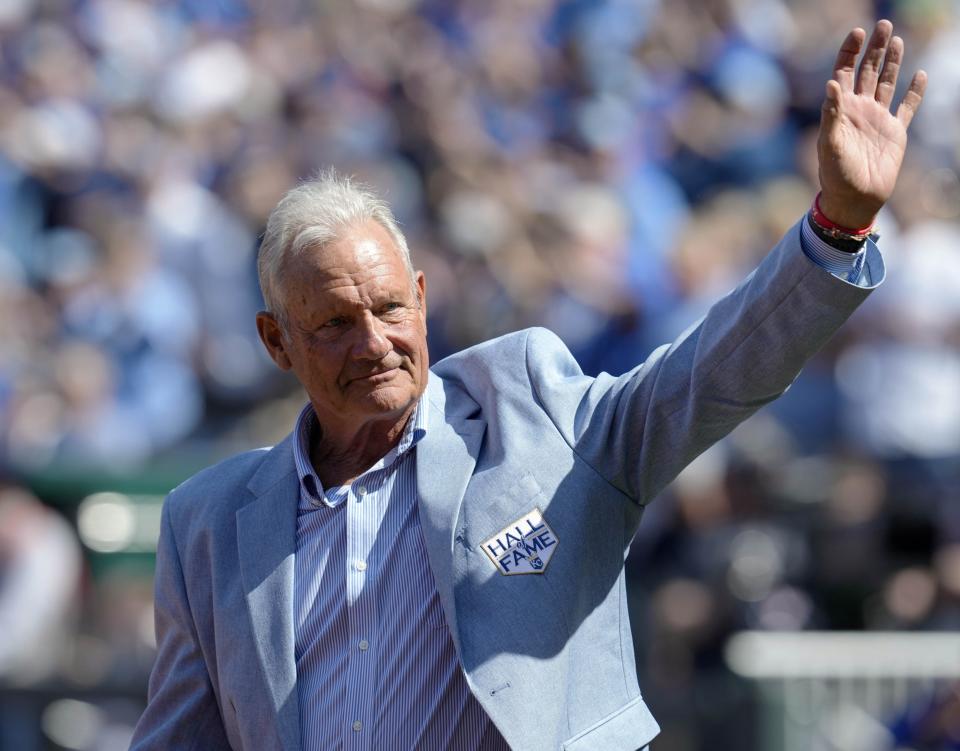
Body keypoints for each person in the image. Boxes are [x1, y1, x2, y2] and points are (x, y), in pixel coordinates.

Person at [131, 20, 926, 751]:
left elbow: (708, 375)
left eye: (387, 308)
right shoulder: (207, 525)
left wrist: (836, 226)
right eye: (334, 323)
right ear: (277, 342)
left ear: (421, 297)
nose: (374, 341)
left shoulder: (533, 414)